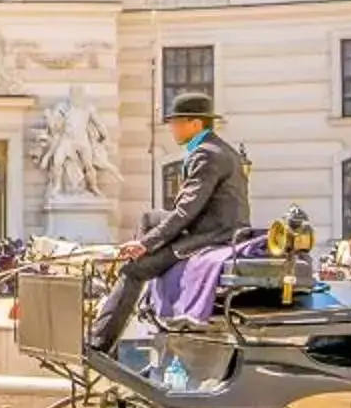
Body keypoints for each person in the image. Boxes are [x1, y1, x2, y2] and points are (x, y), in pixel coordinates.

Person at [85, 93, 250, 351]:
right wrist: (146, 243)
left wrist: (146, 245)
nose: (171, 128)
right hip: (213, 224)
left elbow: (186, 211)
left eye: (175, 122)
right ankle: (139, 277)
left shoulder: (207, 155)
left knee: (134, 271)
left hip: (211, 234)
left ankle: (98, 343)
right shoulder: (215, 148)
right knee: (149, 218)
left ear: (195, 123)